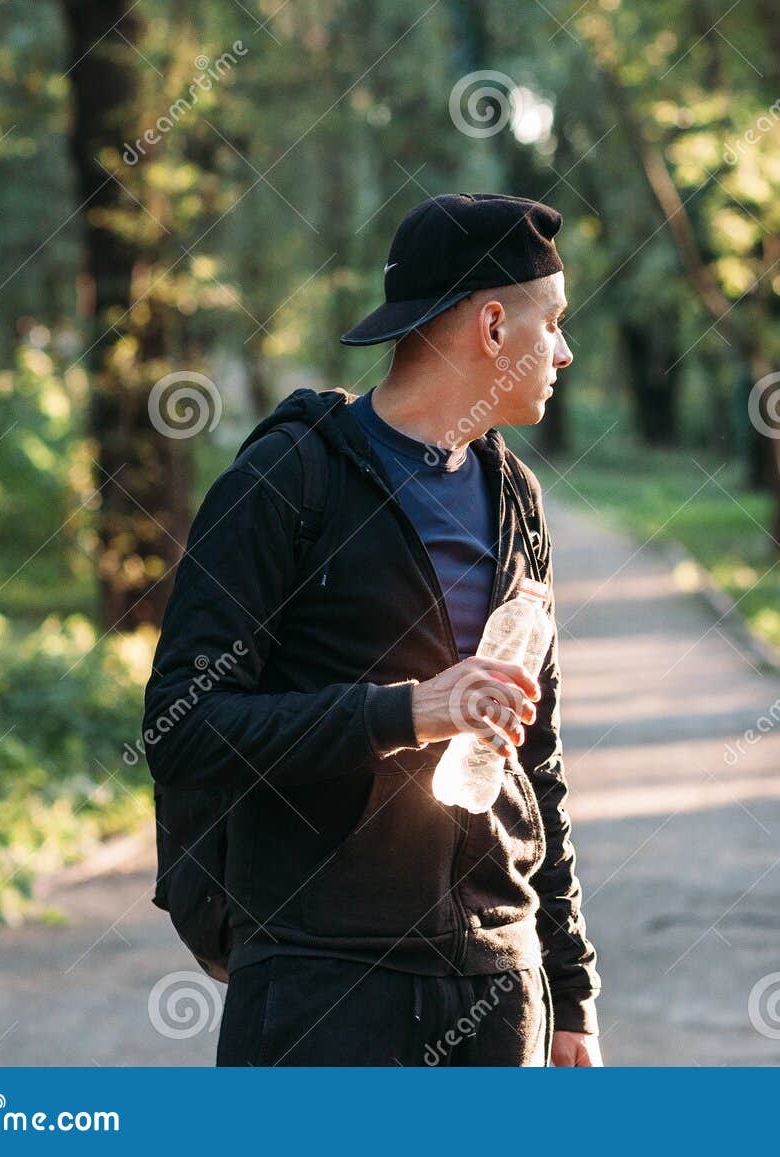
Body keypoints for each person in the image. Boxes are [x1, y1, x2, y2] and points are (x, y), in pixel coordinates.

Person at [143, 193, 601, 1066]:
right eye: (556, 323)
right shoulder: (286, 483)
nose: (566, 350)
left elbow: (535, 751)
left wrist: (571, 990)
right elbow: (184, 729)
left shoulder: (517, 501)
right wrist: (404, 713)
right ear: (494, 326)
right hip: (321, 981)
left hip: (496, 981)